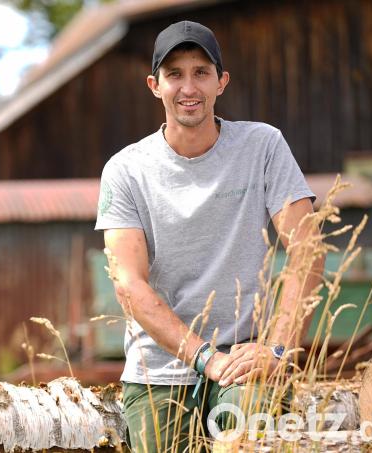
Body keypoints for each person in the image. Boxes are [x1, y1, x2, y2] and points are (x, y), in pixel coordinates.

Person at [95, 20, 324, 452]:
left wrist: (276, 351)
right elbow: (128, 284)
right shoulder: (125, 170)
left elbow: (307, 252)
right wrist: (204, 358)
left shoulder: (262, 146)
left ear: (222, 81)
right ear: (154, 85)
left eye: (201, 72)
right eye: (175, 74)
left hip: (247, 359)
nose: (189, 87)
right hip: (160, 369)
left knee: (245, 441)